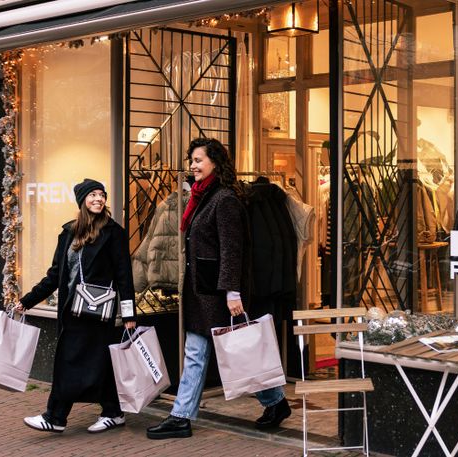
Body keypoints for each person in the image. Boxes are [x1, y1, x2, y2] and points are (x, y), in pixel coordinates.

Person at [146, 138, 291, 440]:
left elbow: (232, 250)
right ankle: (185, 416)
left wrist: (232, 292)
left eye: (198, 160)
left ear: (215, 162)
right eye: (191, 161)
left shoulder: (224, 199)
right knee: (215, 352)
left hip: (217, 294)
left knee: (235, 351)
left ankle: (271, 402)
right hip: (204, 292)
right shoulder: (203, 196)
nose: (193, 166)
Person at [15, 178, 136, 434]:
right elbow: (54, 275)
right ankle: (113, 412)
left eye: (101, 195)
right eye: (92, 195)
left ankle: (55, 416)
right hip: (71, 311)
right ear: (82, 201)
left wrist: (128, 314)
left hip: (97, 312)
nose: (98, 199)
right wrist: (27, 301)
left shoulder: (114, 233)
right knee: (96, 363)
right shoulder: (69, 232)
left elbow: (125, 275)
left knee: (72, 363)